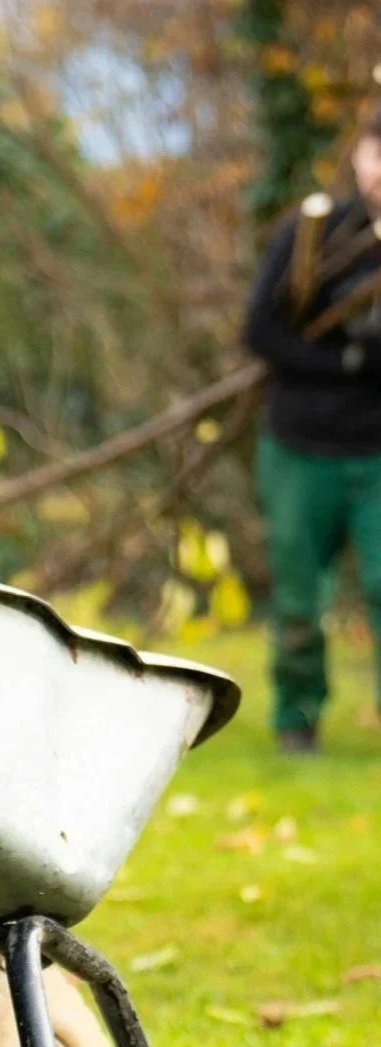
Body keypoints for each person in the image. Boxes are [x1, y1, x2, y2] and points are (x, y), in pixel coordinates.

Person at [244, 109, 381, 752]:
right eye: (376, 150)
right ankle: (297, 723)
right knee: (299, 601)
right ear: (359, 155)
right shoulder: (313, 232)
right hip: (300, 447)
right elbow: (260, 333)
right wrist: (349, 364)